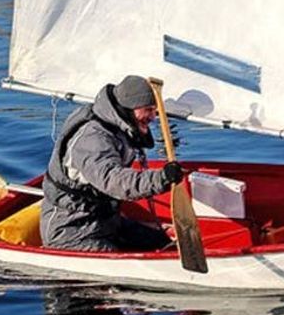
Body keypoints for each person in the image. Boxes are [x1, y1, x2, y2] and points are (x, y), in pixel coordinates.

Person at [41, 75, 184, 252]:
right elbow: (114, 181)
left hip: (106, 222)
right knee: (123, 261)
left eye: (155, 110)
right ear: (129, 108)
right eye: (148, 110)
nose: (153, 116)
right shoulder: (92, 138)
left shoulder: (118, 123)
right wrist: (161, 179)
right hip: (71, 230)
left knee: (164, 243)